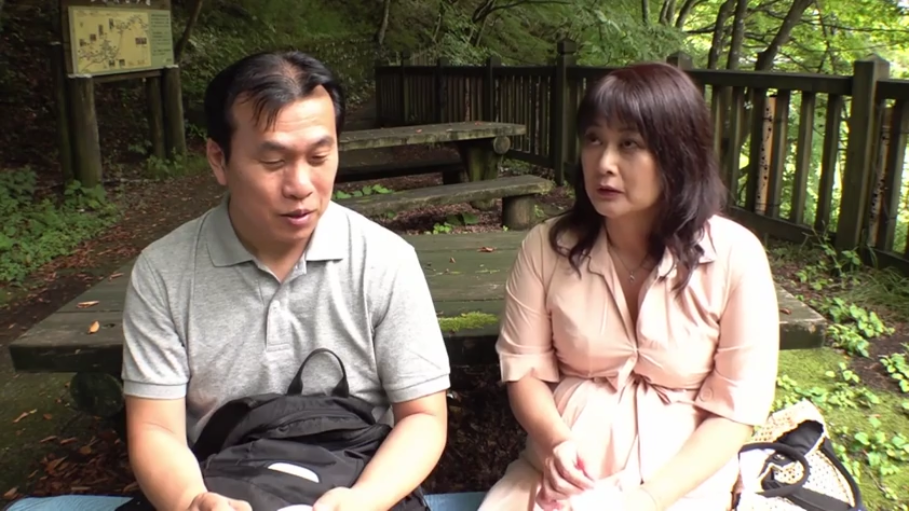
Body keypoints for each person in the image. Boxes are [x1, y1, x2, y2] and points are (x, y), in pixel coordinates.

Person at [120, 51, 451, 511]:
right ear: (219, 159)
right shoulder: (164, 271)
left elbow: (424, 416)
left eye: (319, 157)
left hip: (358, 481)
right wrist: (190, 500)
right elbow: (155, 427)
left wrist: (364, 500)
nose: (301, 185)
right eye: (274, 161)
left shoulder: (385, 260)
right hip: (222, 481)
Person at [477, 63, 780, 511]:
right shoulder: (546, 247)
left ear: (677, 154)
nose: (604, 163)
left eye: (629, 144)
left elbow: (736, 410)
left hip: (682, 488)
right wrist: (557, 442)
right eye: (593, 139)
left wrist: (647, 499)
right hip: (558, 478)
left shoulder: (736, 256)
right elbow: (525, 371)